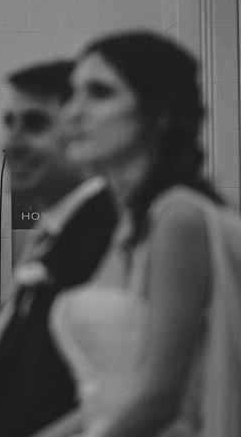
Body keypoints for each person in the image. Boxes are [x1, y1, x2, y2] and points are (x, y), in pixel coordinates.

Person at [32, 31, 241, 437]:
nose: (73, 112)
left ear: (159, 113)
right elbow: (109, 401)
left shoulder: (178, 217)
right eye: (73, 93)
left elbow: (161, 399)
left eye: (100, 92)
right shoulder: (125, 225)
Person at [0, 61, 118, 437]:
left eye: (35, 124)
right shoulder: (53, 234)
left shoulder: (110, 232)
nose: (11, 142)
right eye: (10, 122)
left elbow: (122, 395)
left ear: (86, 134)